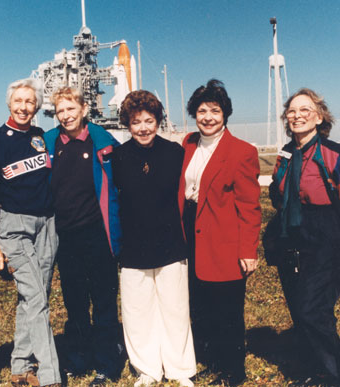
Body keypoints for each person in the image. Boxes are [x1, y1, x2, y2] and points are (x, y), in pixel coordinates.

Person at [0, 78, 61, 387]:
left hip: (47, 225)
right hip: (14, 227)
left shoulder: (40, 137)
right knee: (37, 297)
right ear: (9, 103)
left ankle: (19, 367)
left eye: (30, 102)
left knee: (34, 297)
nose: (24, 107)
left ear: (37, 106)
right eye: (19, 101)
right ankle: (52, 376)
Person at [179, 79, 261, 385]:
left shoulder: (241, 151)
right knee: (198, 304)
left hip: (222, 236)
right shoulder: (188, 143)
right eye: (202, 111)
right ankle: (209, 359)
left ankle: (232, 371)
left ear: (225, 114)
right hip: (189, 231)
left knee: (226, 308)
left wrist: (248, 250)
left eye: (214, 110)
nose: (208, 117)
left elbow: (250, 206)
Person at [112, 90, 196, 387]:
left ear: (158, 121)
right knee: (137, 311)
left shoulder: (175, 153)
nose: (144, 127)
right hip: (133, 247)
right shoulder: (118, 158)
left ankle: (180, 368)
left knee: (175, 308)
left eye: (149, 120)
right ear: (128, 124)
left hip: (170, 243)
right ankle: (147, 368)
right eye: (136, 122)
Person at [43, 86, 123, 387]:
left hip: (99, 235)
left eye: (70, 109)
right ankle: (78, 357)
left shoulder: (103, 141)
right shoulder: (50, 143)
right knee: (74, 301)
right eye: (60, 111)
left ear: (84, 108)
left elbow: (120, 187)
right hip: (66, 237)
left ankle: (106, 362)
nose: (66, 115)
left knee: (103, 300)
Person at [268, 88, 340, 384]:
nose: (297, 115)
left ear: (319, 116)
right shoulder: (286, 153)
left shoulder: (334, 153)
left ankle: (337, 374)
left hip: (324, 232)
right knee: (297, 305)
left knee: (314, 307)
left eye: (305, 110)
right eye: (292, 111)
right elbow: (276, 192)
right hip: (290, 233)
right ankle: (312, 369)